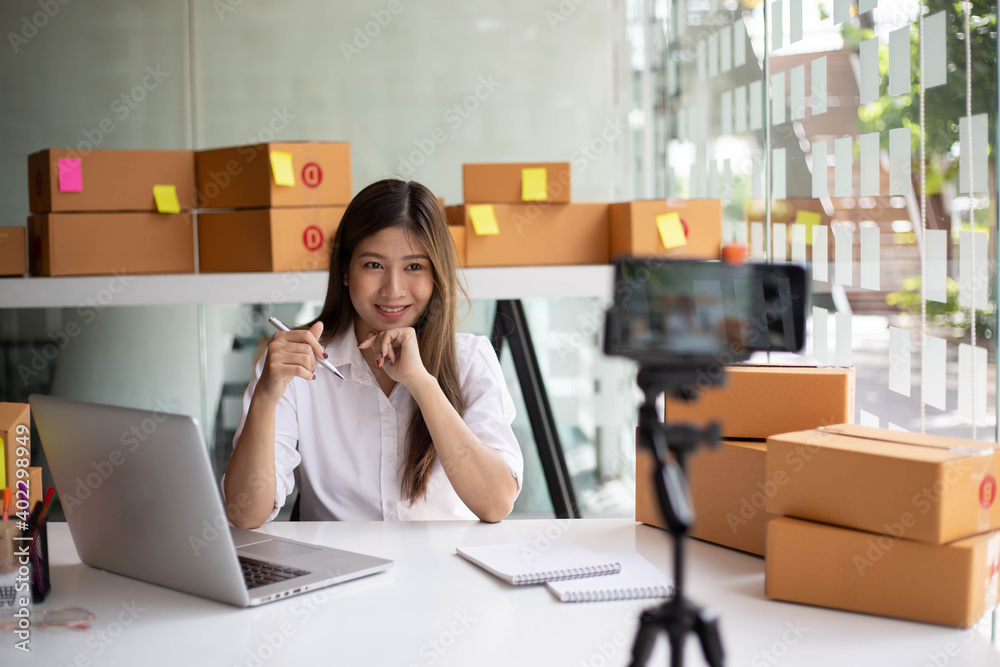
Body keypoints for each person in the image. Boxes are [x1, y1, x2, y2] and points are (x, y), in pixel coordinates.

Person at [224, 179, 522, 528]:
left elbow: (496, 503)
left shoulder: (469, 359)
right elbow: (245, 514)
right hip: (337, 573)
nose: (393, 290)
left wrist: (421, 383)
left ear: (437, 275)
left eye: (414, 267)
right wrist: (265, 397)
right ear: (346, 271)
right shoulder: (297, 363)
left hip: (446, 572)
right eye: (374, 265)